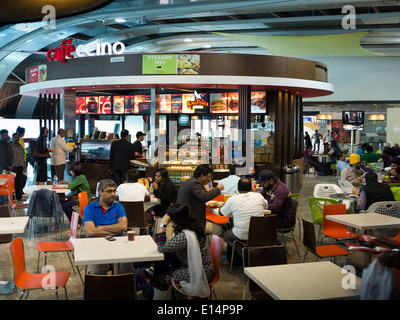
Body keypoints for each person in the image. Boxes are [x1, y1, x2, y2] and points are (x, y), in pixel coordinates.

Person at [151, 203, 215, 299]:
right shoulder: (192, 227)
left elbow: (161, 248)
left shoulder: (184, 236)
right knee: (164, 268)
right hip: (198, 265)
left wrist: (162, 224)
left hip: (202, 270)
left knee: (163, 276)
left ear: (175, 220)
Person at [82, 179, 133, 275]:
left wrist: (100, 228)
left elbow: (123, 226)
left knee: (127, 269)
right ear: (100, 192)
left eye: (114, 191)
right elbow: (91, 232)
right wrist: (115, 230)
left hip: (118, 242)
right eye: (109, 191)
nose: (113, 194)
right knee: (97, 272)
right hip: (96, 244)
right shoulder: (89, 208)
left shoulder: (118, 206)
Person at [176, 164, 224, 234]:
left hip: (184, 220)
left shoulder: (188, 182)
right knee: (219, 230)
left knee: (212, 223)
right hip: (192, 223)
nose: (209, 180)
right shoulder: (195, 183)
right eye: (208, 177)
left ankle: (203, 242)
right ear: (202, 176)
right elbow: (204, 197)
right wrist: (218, 189)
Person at [219, 177, 268, 244]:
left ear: (238, 188)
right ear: (251, 188)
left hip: (241, 235)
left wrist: (220, 207)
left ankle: (237, 252)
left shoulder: (232, 199)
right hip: (259, 234)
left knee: (226, 235)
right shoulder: (259, 196)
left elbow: (222, 213)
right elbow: (265, 207)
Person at [10, 133, 26, 201]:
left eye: (17, 137)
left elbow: (23, 156)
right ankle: (12, 197)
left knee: (20, 182)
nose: (16, 139)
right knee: (13, 183)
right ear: (12, 138)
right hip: (13, 167)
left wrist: (24, 166)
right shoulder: (10, 146)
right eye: (15, 137)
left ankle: (19, 197)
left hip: (20, 167)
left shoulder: (20, 146)